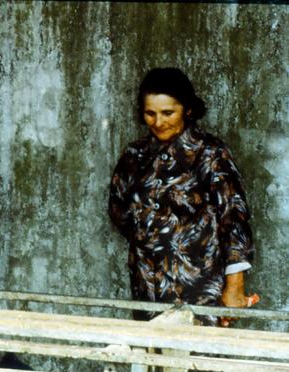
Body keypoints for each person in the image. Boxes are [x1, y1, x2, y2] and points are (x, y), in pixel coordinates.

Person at [108, 67, 258, 326]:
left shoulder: (210, 154)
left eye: (168, 113)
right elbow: (118, 210)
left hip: (199, 289)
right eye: (150, 113)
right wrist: (154, 239)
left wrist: (234, 287)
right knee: (151, 360)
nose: (158, 122)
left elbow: (233, 219)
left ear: (187, 110)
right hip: (148, 287)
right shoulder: (135, 155)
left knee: (198, 363)